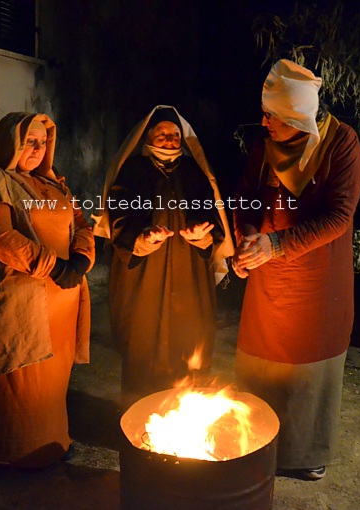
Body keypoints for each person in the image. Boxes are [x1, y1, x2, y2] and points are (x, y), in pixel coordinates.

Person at [232, 59, 360, 480]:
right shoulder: (264, 145)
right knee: (263, 360)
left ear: (297, 119)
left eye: (272, 115)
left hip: (316, 280)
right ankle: (252, 442)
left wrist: (277, 244)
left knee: (310, 368)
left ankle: (305, 454)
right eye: (264, 112)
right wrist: (248, 236)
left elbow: (338, 216)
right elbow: (246, 198)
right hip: (269, 275)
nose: (264, 121)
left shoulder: (341, 144)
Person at [0, 112, 95, 468]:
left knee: (51, 386)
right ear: (10, 142)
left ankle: (54, 441)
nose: (37, 149)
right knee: (18, 384)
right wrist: (54, 266)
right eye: (30, 141)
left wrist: (81, 260)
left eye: (43, 143)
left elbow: (80, 222)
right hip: (19, 306)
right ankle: (13, 455)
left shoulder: (53, 184)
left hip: (62, 299)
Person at [93, 105, 234, 407]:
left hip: (189, 269)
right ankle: (139, 414)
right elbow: (118, 216)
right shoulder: (131, 172)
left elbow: (214, 215)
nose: (169, 139)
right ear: (148, 137)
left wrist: (204, 237)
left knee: (190, 338)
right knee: (143, 340)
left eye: (174, 134)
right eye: (162, 134)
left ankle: (186, 413)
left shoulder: (195, 172)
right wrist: (142, 239)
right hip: (144, 274)